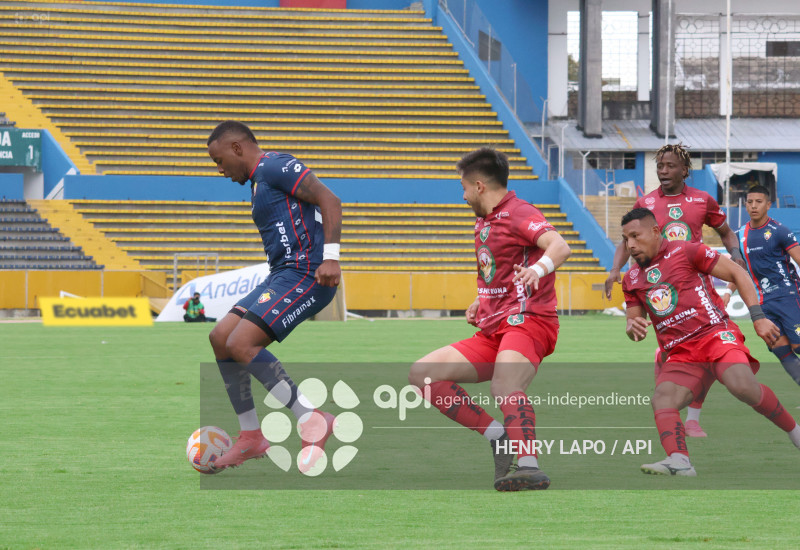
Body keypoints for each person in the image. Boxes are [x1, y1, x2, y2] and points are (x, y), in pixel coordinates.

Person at [408, 148, 572, 491]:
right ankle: (498, 437)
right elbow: (498, 273)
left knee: (505, 385)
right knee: (423, 375)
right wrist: (481, 302)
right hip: (495, 327)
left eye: (464, 187)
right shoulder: (484, 221)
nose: (463, 194)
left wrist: (537, 270)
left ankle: (529, 465)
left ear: (479, 186)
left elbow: (559, 245)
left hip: (529, 321)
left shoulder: (518, 212)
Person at [620, 207, 800, 476]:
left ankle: (795, 431)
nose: (630, 245)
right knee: (662, 399)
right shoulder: (631, 279)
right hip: (681, 352)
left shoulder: (687, 251)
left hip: (715, 335)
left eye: (635, 236)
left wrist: (758, 317)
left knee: (742, 386)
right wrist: (632, 326)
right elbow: (634, 323)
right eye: (626, 239)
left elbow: (738, 274)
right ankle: (680, 460)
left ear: (656, 231)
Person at [205, 120, 342, 471]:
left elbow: (330, 200)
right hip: (281, 276)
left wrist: (331, 258)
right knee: (221, 337)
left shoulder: (275, 165)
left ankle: (313, 419)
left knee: (241, 344)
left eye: (219, 161)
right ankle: (251, 437)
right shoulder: (258, 182)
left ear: (237, 148)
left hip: (306, 273)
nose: (220, 171)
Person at [605, 143, 745, 438]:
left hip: (697, 285)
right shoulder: (645, 202)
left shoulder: (702, 200)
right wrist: (615, 269)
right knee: (672, 352)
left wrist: (736, 255)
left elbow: (726, 232)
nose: (663, 171)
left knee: (707, 352)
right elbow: (626, 238)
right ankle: (672, 405)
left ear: (685, 170)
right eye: (660, 166)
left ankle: (692, 417)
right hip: (659, 288)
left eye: (669, 166)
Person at [720, 185, 800, 384]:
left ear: (768, 205)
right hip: (762, 305)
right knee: (780, 349)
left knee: (798, 346)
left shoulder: (779, 231)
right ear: (745, 205)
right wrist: (728, 292)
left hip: (788, 297)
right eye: (750, 202)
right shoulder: (739, 236)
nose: (753, 206)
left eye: (759, 202)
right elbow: (738, 270)